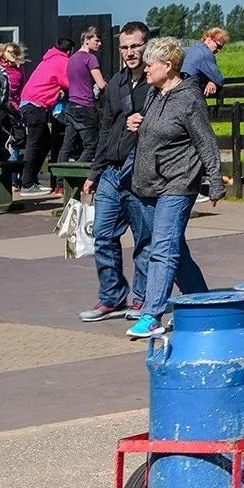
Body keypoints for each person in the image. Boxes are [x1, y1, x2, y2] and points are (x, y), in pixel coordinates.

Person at [126, 37, 225, 340]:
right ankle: (204, 304)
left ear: (167, 67)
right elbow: (154, 129)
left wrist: (216, 182)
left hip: (178, 183)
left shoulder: (189, 98)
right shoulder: (155, 94)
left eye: (149, 64)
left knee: (162, 250)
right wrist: (135, 123)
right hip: (149, 183)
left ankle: (152, 315)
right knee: (174, 249)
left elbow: (206, 141)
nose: (144, 69)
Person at [79, 22, 154, 322]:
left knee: (144, 239)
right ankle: (112, 297)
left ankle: (143, 298)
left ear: (147, 45)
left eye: (135, 46)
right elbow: (105, 130)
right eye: (124, 47)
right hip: (112, 169)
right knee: (102, 235)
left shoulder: (157, 83)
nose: (129, 52)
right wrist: (93, 173)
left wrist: (144, 122)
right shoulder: (116, 83)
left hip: (141, 169)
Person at [19, 37, 74, 194]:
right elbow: (69, 83)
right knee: (34, 143)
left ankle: (30, 180)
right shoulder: (62, 61)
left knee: (44, 142)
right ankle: (27, 184)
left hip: (29, 103)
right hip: (36, 106)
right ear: (70, 51)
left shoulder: (49, 59)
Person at [59, 27, 106, 163]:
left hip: (71, 106)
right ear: (86, 40)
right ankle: (76, 176)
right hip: (85, 107)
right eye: (96, 40)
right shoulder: (90, 58)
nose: (100, 44)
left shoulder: (72, 59)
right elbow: (101, 84)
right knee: (92, 146)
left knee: (66, 147)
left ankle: (59, 182)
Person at [181, 27, 229, 98]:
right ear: (209, 39)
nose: (219, 50)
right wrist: (213, 81)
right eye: (218, 46)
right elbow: (219, 79)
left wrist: (211, 81)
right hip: (191, 94)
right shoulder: (206, 53)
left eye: (221, 48)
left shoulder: (192, 49)